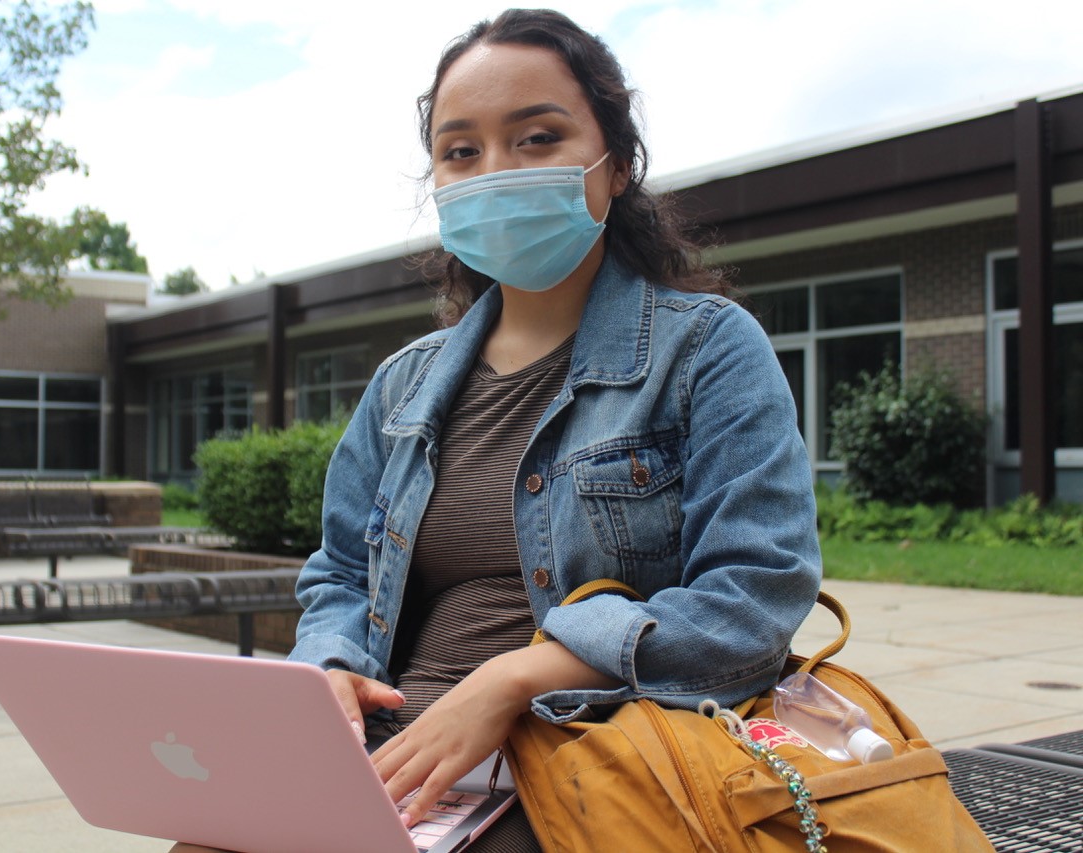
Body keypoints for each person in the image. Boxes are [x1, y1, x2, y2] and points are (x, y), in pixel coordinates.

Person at [172, 8, 820, 852]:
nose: (495, 173)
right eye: (461, 151)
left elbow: (755, 591)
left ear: (616, 163)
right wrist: (327, 668)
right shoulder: (403, 384)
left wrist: (514, 678)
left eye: (538, 137)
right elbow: (338, 571)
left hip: (590, 756)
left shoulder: (705, 349)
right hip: (392, 757)